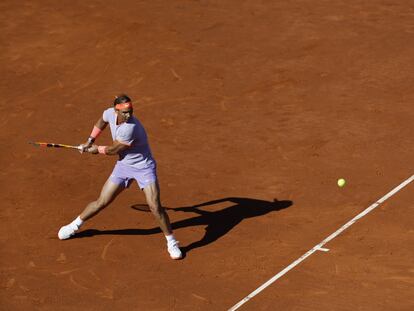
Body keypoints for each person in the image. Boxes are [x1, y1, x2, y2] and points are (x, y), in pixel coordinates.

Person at [58, 94, 182, 260]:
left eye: (130, 111)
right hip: (124, 166)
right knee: (102, 201)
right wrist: (89, 140)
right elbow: (101, 122)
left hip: (144, 167)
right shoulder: (109, 113)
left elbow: (113, 150)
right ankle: (74, 225)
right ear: (115, 110)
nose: (129, 115)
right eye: (124, 112)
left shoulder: (130, 127)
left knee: (155, 206)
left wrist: (96, 149)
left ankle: (172, 242)